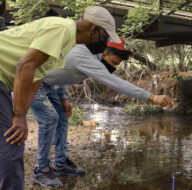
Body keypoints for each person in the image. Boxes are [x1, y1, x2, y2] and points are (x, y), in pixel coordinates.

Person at [0, 6, 121, 190]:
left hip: (4, 80)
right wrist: (19, 117)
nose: (104, 45)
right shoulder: (62, 28)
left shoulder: (67, 43)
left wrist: (23, 113)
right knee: (12, 143)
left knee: (9, 140)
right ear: (94, 29)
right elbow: (25, 66)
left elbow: (36, 80)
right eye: (105, 38)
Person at [30, 37, 173, 188]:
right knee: (50, 119)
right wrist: (151, 97)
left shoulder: (93, 56)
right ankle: (41, 170)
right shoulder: (85, 55)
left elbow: (60, 72)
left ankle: (60, 165)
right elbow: (116, 83)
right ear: (104, 53)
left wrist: (64, 98)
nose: (114, 67)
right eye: (114, 62)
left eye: (117, 65)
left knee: (63, 117)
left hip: (51, 84)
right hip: (33, 79)